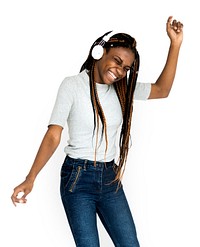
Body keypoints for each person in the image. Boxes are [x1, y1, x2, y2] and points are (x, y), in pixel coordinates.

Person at [11, 16, 183, 247]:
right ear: (99, 52)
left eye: (126, 68)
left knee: (130, 244)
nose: (120, 71)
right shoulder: (72, 85)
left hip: (110, 178)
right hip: (78, 178)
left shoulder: (123, 89)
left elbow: (162, 90)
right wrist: (30, 178)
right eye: (117, 61)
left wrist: (175, 45)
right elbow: (53, 135)